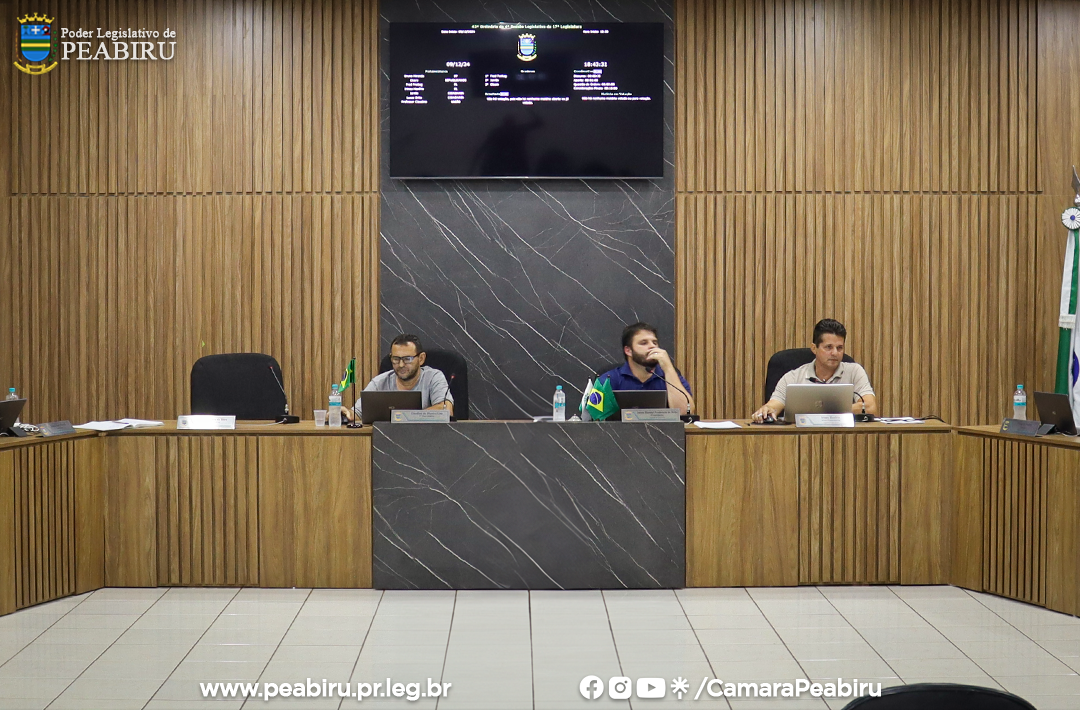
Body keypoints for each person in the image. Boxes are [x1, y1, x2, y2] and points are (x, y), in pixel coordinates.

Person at [752, 318, 877, 422]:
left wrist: (822, 410)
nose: (835, 353)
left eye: (839, 348)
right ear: (814, 348)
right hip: (799, 439)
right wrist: (766, 410)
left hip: (844, 438)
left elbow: (871, 408)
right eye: (828, 347)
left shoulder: (855, 371)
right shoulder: (793, 377)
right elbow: (773, 406)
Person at [596, 322, 694, 415]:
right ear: (628, 350)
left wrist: (668, 368)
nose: (652, 346)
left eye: (655, 342)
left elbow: (684, 412)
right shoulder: (609, 379)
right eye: (644, 343)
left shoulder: (671, 376)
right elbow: (595, 416)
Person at [348, 334, 454, 419]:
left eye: (407, 359)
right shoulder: (380, 382)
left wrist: (406, 417)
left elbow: (446, 410)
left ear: (421, 358)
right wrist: (345, 414)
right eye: (396, 359)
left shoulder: (433, 377)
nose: (401, 365)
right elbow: (357, 413)